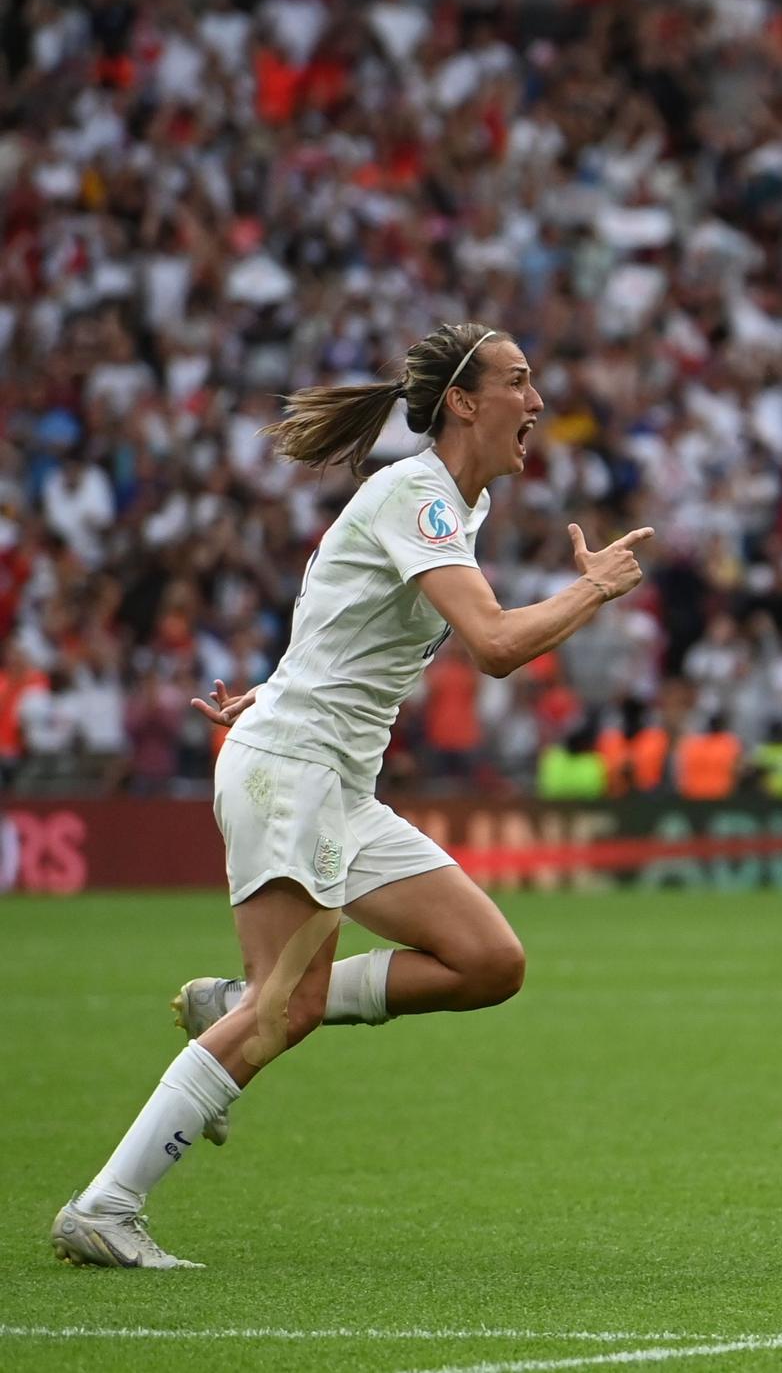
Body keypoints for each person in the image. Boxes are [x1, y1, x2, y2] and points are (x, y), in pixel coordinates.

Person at [52, 323, 654, 1268]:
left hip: (329, 776)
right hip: (296, 771)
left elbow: (344, 606)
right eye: (519, 382)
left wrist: (278, 682)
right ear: (463, 401)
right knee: (283, 1008)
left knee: (487, 960)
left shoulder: (458, 505)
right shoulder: (415, 493)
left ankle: (247, 1000)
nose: (537, 402)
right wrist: (596, 593)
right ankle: (106, 1205)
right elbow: (494, 646)